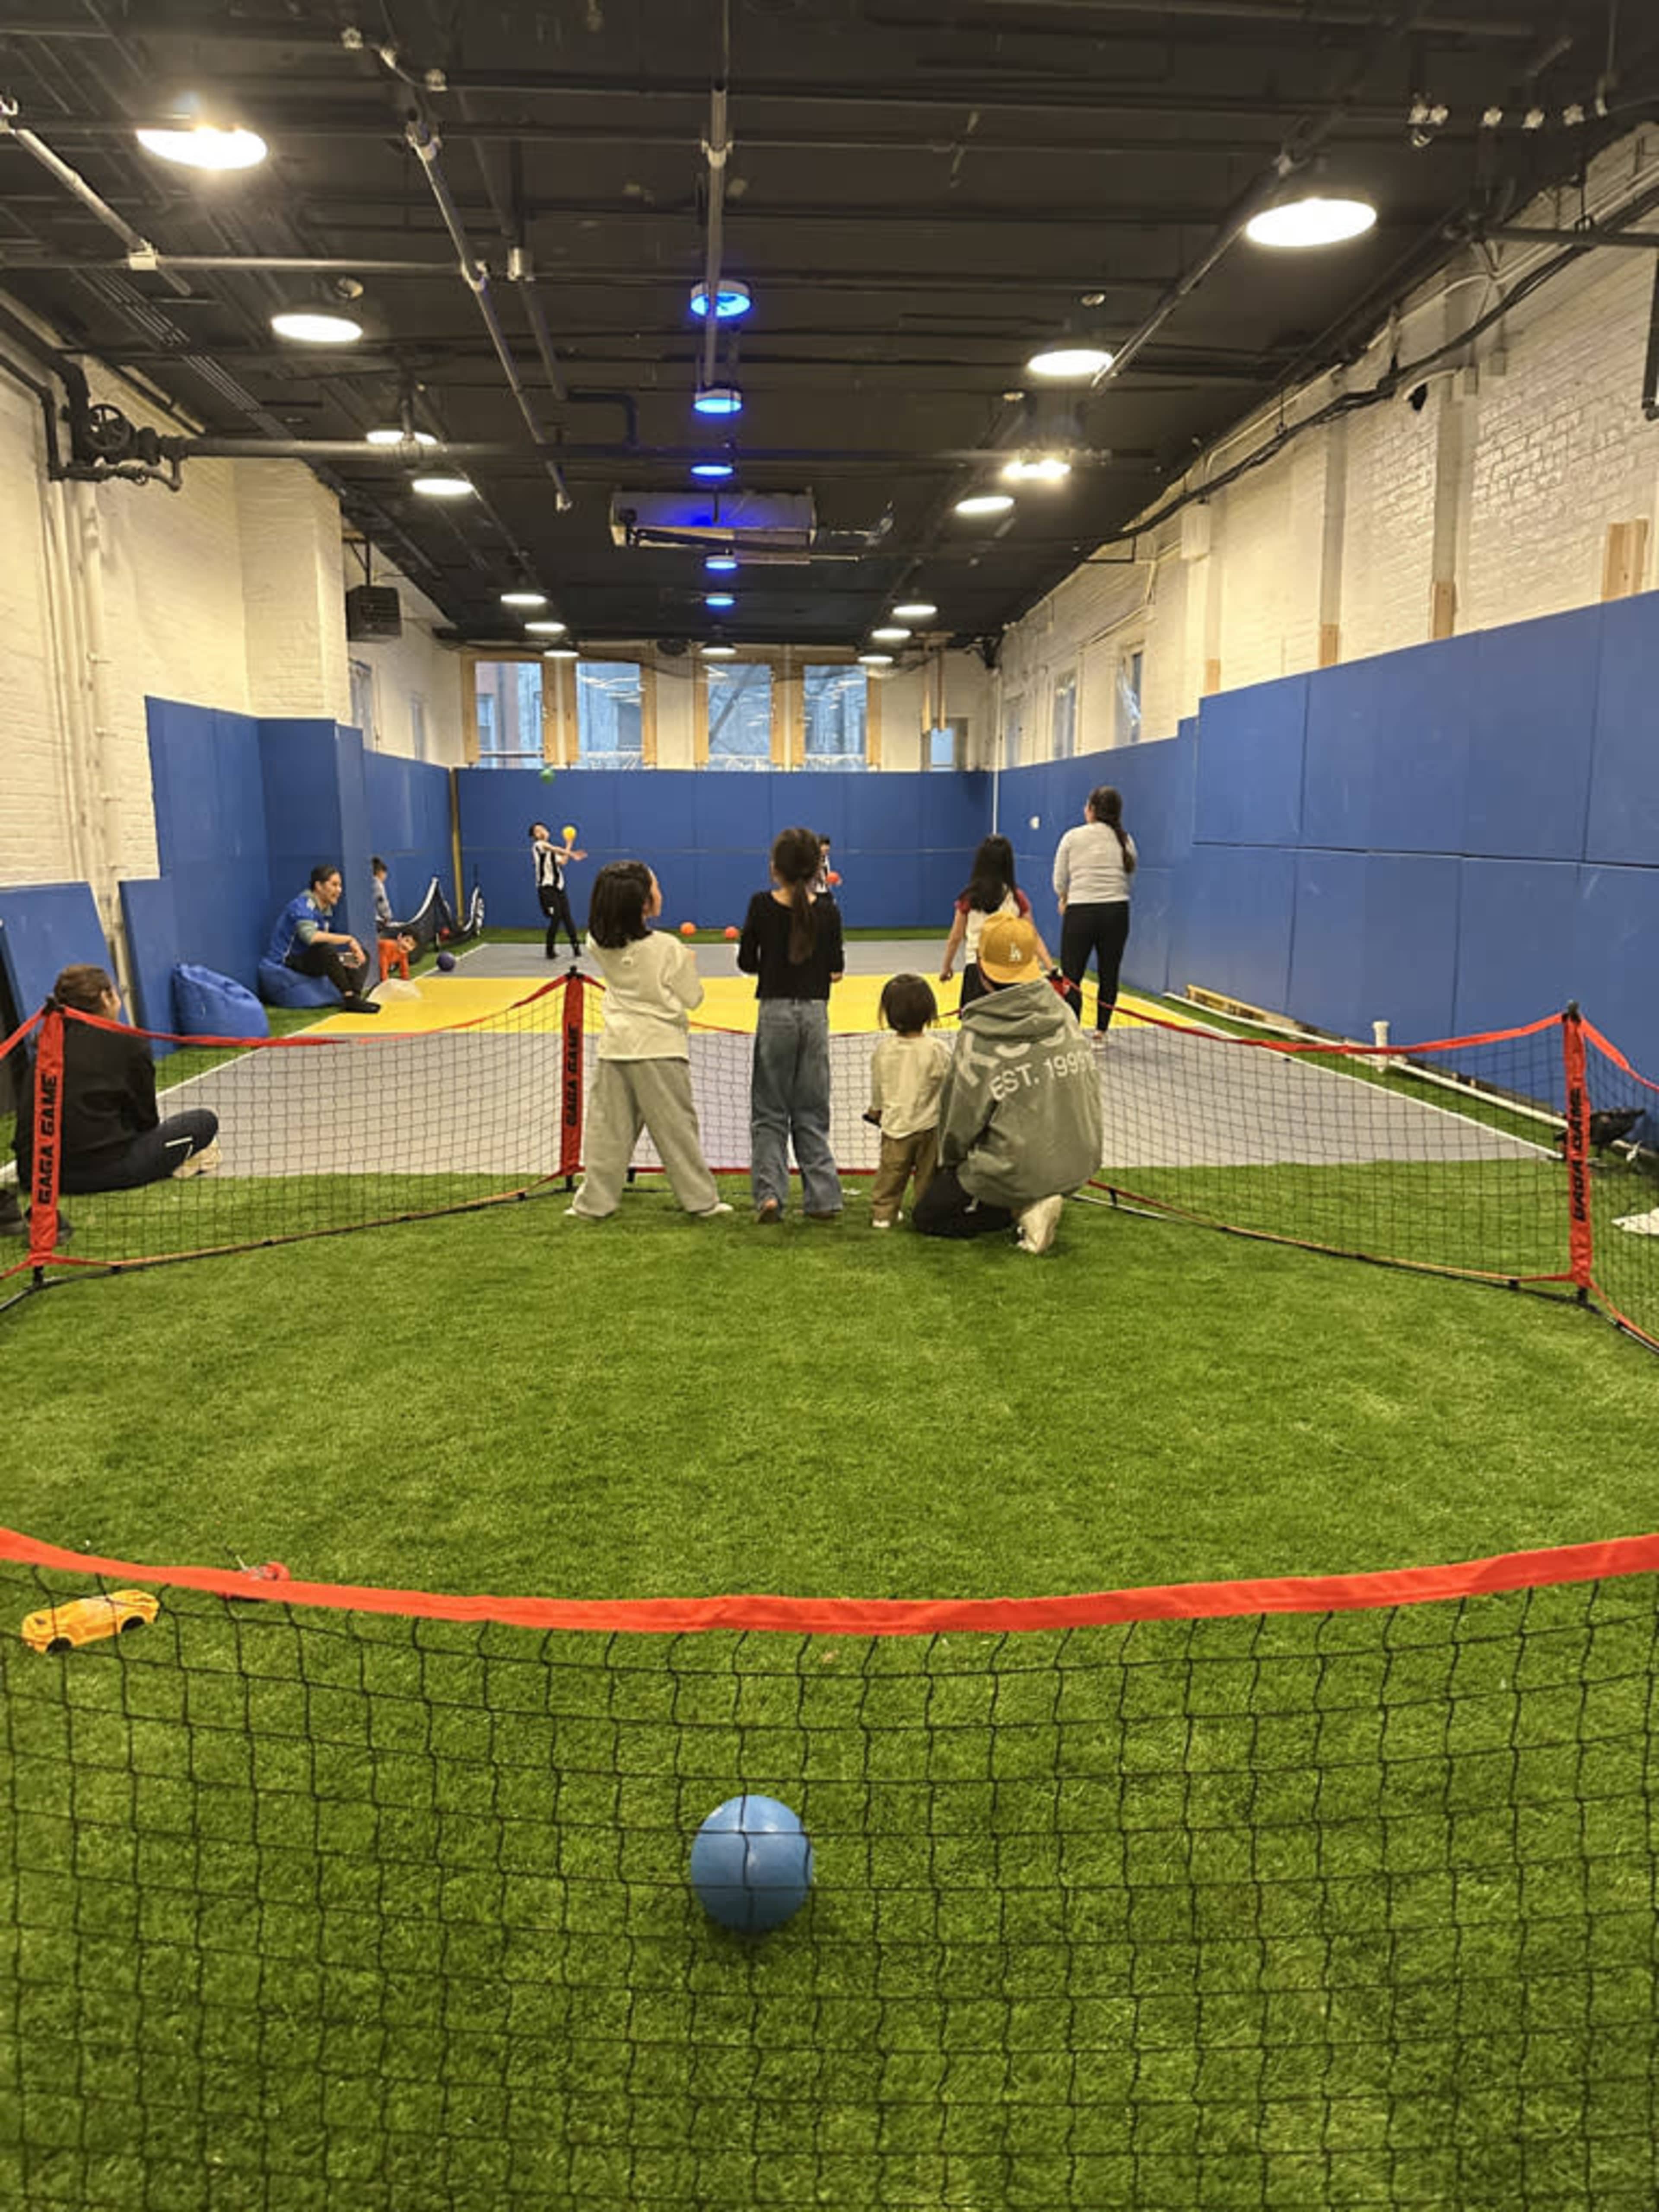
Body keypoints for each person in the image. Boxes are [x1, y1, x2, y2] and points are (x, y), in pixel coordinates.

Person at [914, 913, 1103, 1255]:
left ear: (982, 970)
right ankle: (1036, 1197)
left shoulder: (977, 1039)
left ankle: (1019, 1210)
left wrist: (951, 1168)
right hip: (1081, 1163)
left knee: (929, 1215)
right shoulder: (1065, 1017)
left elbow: (959, 1126)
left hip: (1017, 1167)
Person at [566, 862, 731, 1222]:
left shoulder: (597, 943)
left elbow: (620, 946)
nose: (660, 891)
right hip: (662, 1050)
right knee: (677, 1130)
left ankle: (593, 1204)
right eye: (655, 886)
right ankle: (701, 1201)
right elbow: (693, 998)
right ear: (643, 902)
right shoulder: (669, 948)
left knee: (608, 1130)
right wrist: (689, 964)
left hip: (615, 1048)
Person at [13, 965, 219, 1195]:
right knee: (204, 1121)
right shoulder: (130, 1045)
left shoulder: (46, 1045)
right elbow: (146, 1122)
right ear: (105, 997)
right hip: (104, 1172)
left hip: (36, 1177)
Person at [737, 825, 844, 1224]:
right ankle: (823, 1198)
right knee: (812, 1109)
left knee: (769, 1109)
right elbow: (836, 970)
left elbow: (748, 962)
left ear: (776, 869)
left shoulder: (761, 906)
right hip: (815, 1015)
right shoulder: (829, 911)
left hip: (775, 1013)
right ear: (818, 868)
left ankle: (769, 1195)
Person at [864, 973, 951, 1229]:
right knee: (928, 1177)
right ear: (928, 1011)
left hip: (895, 1128)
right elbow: (950, 1086)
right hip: (930, 1128)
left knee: (891, 1174)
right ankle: (926, 1213)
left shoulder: (884, 1050)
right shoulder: (938, 1050)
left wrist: (876, 1110)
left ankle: (883, 1215)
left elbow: (878, 1086)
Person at [1052, 784, 1137, 1036]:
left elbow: (1059, 879)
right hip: (1117, 913)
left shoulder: (1072, 837)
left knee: (1072, 976)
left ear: (1091, 810)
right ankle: (1101, 1031)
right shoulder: (1126, 840)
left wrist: (1064, 897)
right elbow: (1128, 879)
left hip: (1081, 913)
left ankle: (1073, 1031)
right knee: (1109, 973)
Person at [938, 833, 1055, 1012]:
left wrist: (946, 967)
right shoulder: (1017, 898)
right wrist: (1050, 967)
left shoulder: (969, 898)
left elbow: (956, 937)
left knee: (975, 1022)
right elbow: (1031, 936)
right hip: (1010, 972)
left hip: (976, 969)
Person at [265, 864, 379, 1014]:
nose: (339, 890)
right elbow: (310, 937)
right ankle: (349, 996)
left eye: (340, 886)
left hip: (312, 960)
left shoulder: (325, 912)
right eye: (334, 885)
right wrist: (349, 940)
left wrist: (347, 956)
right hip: (290, 961)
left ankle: (354, 998)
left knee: (360, 957)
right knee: (325, 950)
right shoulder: (303, 905)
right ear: (319, 886)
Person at [530, 822, 587, 961]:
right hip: (546, 889)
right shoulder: (539, 846)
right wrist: (572, 854)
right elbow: (553, 848)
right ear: (535, 836)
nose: (542, 831)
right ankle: (550, 951)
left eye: (543, 828)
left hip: (559, 888)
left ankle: (576, 948)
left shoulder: (552, 852)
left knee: (567, 917)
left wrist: (569, 843)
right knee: (556, 917)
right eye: (538, 831)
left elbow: (562, 862)